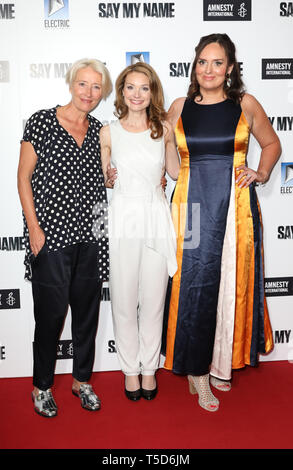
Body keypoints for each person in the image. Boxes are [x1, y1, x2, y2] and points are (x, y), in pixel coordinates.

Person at [161, 33, 281, 412]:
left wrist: (260, 173)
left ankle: (219, 364)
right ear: (194, 66)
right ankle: (196, 371)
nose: (208, 70)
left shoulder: (245, 104)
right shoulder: (179, 106)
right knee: (195, 286)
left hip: (236, 210)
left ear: (229, 67)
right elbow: (158, 146)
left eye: (217, 62)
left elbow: (273, 144)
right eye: (202, 62)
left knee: (232, 285)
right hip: (192, 207)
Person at [17, 58, 112, 417]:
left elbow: (100, 183)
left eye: (96, 87)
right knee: (51, 315)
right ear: (71, 84)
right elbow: (23, 177)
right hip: (51, 236)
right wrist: (34, 228)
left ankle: (81, 381)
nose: (89, 93)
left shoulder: (101, 129)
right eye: (83, 84)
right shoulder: (42, 121)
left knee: (87, 315)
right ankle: (41, 386)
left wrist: (110, 179)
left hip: (91, 235)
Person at [100, 62, 179, 401]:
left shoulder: (163, 128)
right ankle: (130, 370)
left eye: (143, 88)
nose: (136, 94)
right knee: (123, 297)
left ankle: (150, 368)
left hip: (156, 215)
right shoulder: (108, 131)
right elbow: (105, 178)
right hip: (121, 216)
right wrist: (108, 177)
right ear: (122, 92)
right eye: (130, 87)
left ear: (152, 93)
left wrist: (174, 144)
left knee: (153, 299)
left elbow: (175, 171)